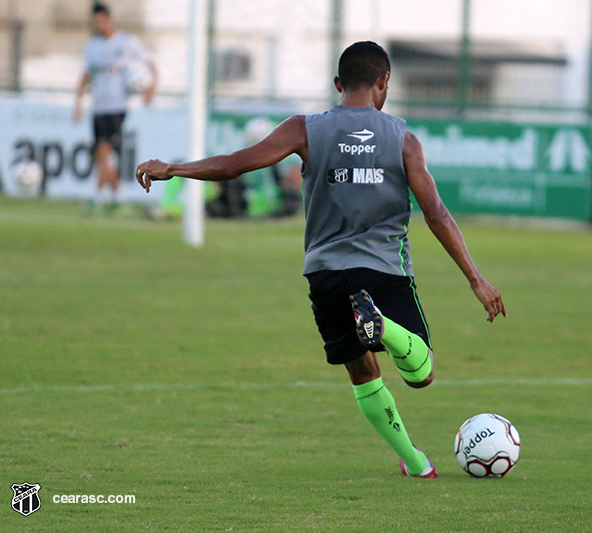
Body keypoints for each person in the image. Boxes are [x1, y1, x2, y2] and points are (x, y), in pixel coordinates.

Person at [135, 41, 506, 478]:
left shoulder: (304, 129)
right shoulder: (403, 139)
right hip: (383, 270)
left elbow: (236, 164)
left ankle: (415, 462)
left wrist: (174, 169)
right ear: (384, 82)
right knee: (420, 373)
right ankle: (383, 327)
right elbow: (436, 214)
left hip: (326, 275)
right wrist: (476, 280)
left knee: (363, 375)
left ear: (337, 84)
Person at [74, 2, 157, 210]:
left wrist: (150, 90)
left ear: (107, 20)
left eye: (99, 21)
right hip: (98, 107)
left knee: (104, 149)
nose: (96, 25)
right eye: (94, 22)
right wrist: (78, 102)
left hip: (117, 107)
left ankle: (99, 196)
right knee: (101, 154)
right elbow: (85, 75)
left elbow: (150, 64)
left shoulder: (127, 42)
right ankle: (117, 196)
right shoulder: (91, 45)